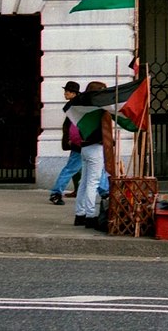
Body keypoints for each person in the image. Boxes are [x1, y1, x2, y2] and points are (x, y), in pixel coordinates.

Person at [73, 81, 108, 230]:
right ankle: (90, 215)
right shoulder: (97, 110)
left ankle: (79, 214)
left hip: (85, 147)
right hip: (95, 147)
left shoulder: (83, 108)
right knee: (92, 183)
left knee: (84, 182)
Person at [49, 81, 83, 205]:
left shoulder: (74, 106)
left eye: (67, 91)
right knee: (73, 168)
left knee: (76, 169)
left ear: (74, 93)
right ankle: (56, 192)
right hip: (80, 143)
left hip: (79, 143)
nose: (65, 93)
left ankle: (104, 192)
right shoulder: (75, 106)